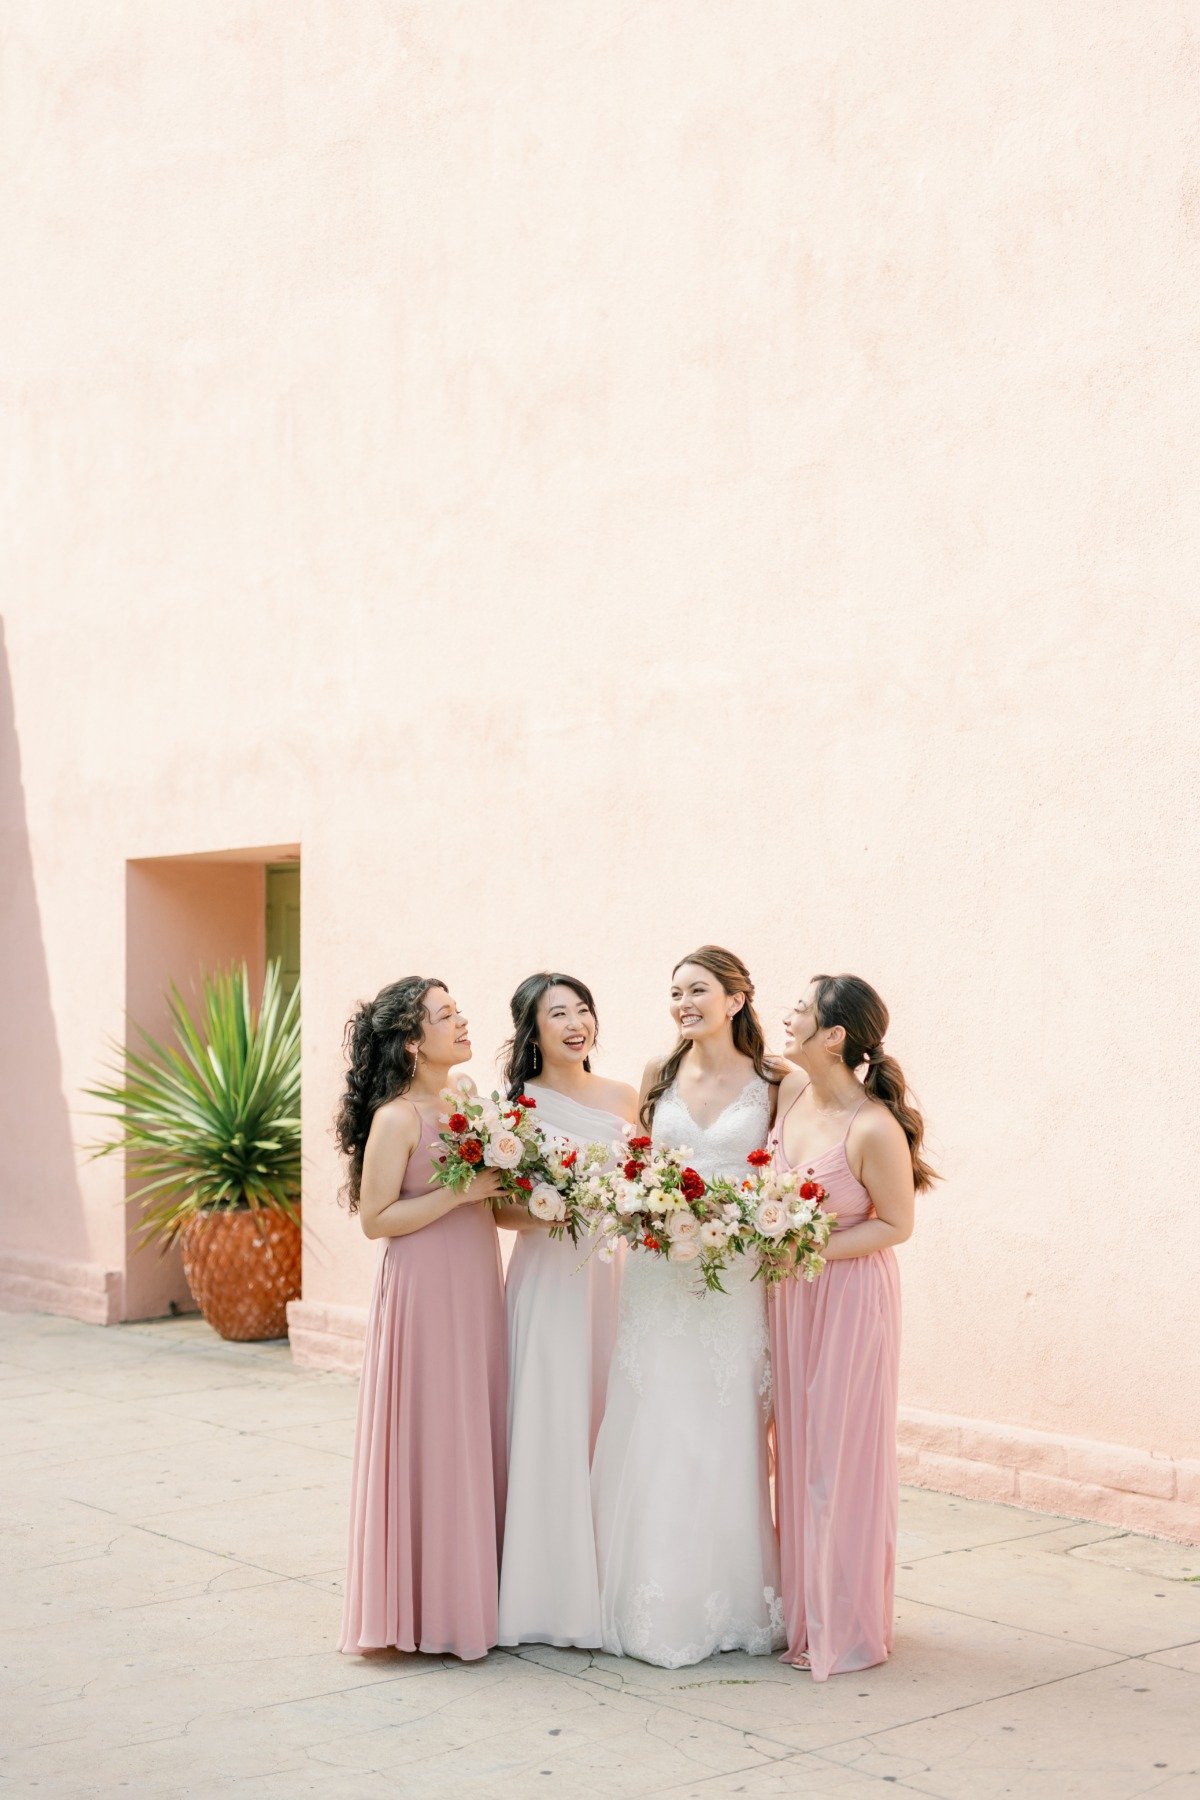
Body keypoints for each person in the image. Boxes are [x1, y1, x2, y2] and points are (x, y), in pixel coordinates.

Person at [590, 945, 786, 1667]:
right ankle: (649, 1599)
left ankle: (728, 1601)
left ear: (736, 998)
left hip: (733, 1273)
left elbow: (786, 1171)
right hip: (656, 1269)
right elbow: (637, 1162)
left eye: (697, 990)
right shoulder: (658, 1074)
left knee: (722, 1421)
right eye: (675, 992)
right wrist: (640, 1202)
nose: (683, 1003)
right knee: (656, 1413)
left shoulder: (776, 1081)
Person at [335, 977, 507, 1661]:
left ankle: (471, 1596)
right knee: (433, 1431)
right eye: (445, 1015)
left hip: (473, 1281)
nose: (463, 1021)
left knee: (472, 1423)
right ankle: (424, 1610)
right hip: (423, 1289)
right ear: (412, 1041)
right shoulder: (399, 1116)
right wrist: (457, 1193)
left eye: (459, 1009)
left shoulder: (466, 1101)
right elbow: (378, 1219)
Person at [770, 973, 934, 1679]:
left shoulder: (872, 1126)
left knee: (842, 1455)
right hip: (791, 1296)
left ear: (833, 1035)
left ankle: (849, 1623)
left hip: (848, 1297)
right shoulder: (791, 1092)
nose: (788, 1015)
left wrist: (802, 1248)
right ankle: (803, 1613)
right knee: (797, 1446)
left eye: (801, 1009)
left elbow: (896, 1225)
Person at [496, 972, 637, 1648]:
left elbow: (645, 1178)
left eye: (584, 1009)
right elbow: (499, 1209)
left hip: (614, 1279)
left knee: (614, 1415)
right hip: (549, 1277)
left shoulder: (622, 1096)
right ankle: (549, 1595)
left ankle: (614, 1578)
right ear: (533, 1029)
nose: (577, 1023)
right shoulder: (516, 1107)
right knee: (554, 1415)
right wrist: (562, 1205)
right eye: (560, 1013)